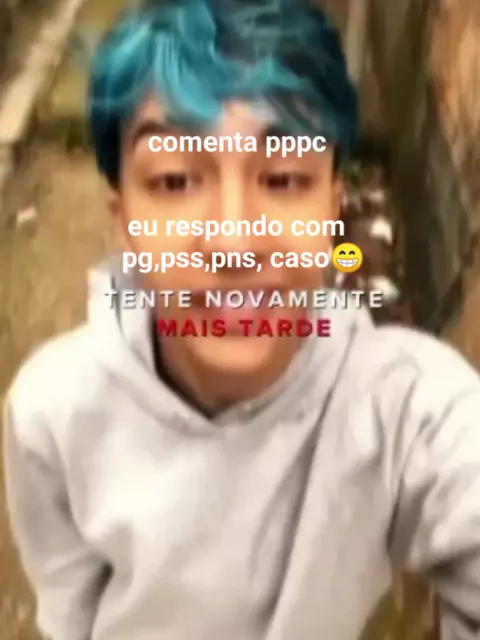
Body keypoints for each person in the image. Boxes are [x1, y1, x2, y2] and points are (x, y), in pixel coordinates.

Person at [3, 0, 480, 638]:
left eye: (282, 179)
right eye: (175, 181)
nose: (233, 239)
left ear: (333, 208)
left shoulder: (404, 416)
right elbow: (69, 611)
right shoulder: (51, 413)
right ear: (124, 221)